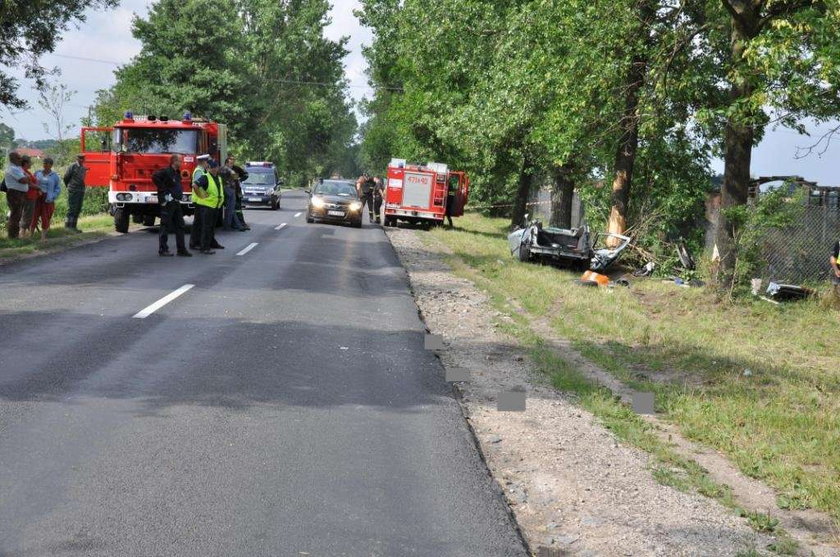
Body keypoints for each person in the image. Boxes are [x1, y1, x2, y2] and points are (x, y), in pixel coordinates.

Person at [153, 154, 192, 257]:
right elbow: (155, 177)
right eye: (180, 161)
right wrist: (163, 190)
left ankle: (181, 249)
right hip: (168, 202)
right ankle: (163, 249)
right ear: (174, 161)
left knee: (180, 225)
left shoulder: (177, 173)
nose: (181, 163)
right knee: (165, 225)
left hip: (176, 202)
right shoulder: (166, 171)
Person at [190, 160, 225, 254]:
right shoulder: (205, 177)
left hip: (215, 205)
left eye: (215, 167)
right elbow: (194, 185)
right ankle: (204, 247)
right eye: (212, 168)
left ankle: (210, 243)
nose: (214, 169)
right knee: (206, 227)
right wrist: (200, 195)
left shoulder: (218, 177)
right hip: (207, 206)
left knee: (212, 227)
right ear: (209, 168)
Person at [31, 157, 61, 241]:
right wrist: (36, 191)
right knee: (34, 216)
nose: (45, 165)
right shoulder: (37, 173)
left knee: (45, 217)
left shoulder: (54, 176)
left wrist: (52, 196)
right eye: (44, 163)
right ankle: (31, 236)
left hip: (48, 198)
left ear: (51, 165)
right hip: (37, 197)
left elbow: (57, 189)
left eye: (47, 164)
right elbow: (32, 183)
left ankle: (43, 237)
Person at [4, 151, 31, 239]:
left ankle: (14, 235)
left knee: (18, 215)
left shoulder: (17, 168)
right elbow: (23, 180)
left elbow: (27, 177)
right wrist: (27, 177)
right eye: (19, 158)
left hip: (19, 194)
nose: (21, 160)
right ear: (13, 159)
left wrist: (27, 177)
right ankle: (13, 236)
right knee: (15, 215)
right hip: (15, 194)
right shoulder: (13, 168)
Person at [220, 155, 246, 231]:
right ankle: (233, 226)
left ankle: (232, 225)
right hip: (229, 191)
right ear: (227, 163)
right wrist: (235, 175)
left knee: (230, 209)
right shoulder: (226, 169)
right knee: (231, 209)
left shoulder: (222, 169)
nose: (232, 165)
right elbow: (235, 177)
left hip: (227, 190)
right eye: (231, 163)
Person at [63, 154, 87, 232]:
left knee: (77, 209)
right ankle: (67, 227)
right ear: (77, 158)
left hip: (80, 190)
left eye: (83, 158)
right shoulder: (72, 166)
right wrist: (69, 186)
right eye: (80, 158)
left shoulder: (83, 168)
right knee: (72, 208)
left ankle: (73, 227)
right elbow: (66, 177)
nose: (81, 160)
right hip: (73, 189)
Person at [19, 155, 39, 238]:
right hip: (28, 196)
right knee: (27, 215)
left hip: (31, 196)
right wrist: (38, 188)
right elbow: (29, 184)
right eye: (30, 162)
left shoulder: (26, 171)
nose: (31, 164)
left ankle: (23, 233)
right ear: (26, 163)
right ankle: (22, 235)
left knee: (27, 215)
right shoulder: (23, 171)